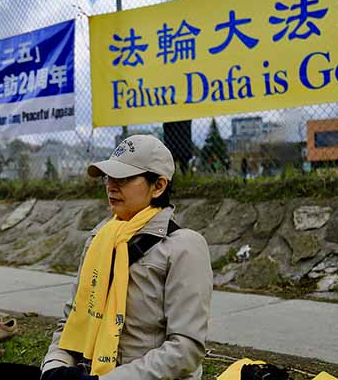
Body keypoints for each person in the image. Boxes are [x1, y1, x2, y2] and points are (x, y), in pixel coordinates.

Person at [41, 134, 213, 380]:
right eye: (108, 177)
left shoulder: (184, 247)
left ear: (159, 186)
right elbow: (70, 324)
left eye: (124, 178)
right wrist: (54, 369)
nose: (111, 185)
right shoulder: (100, 239)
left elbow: (185, 351)